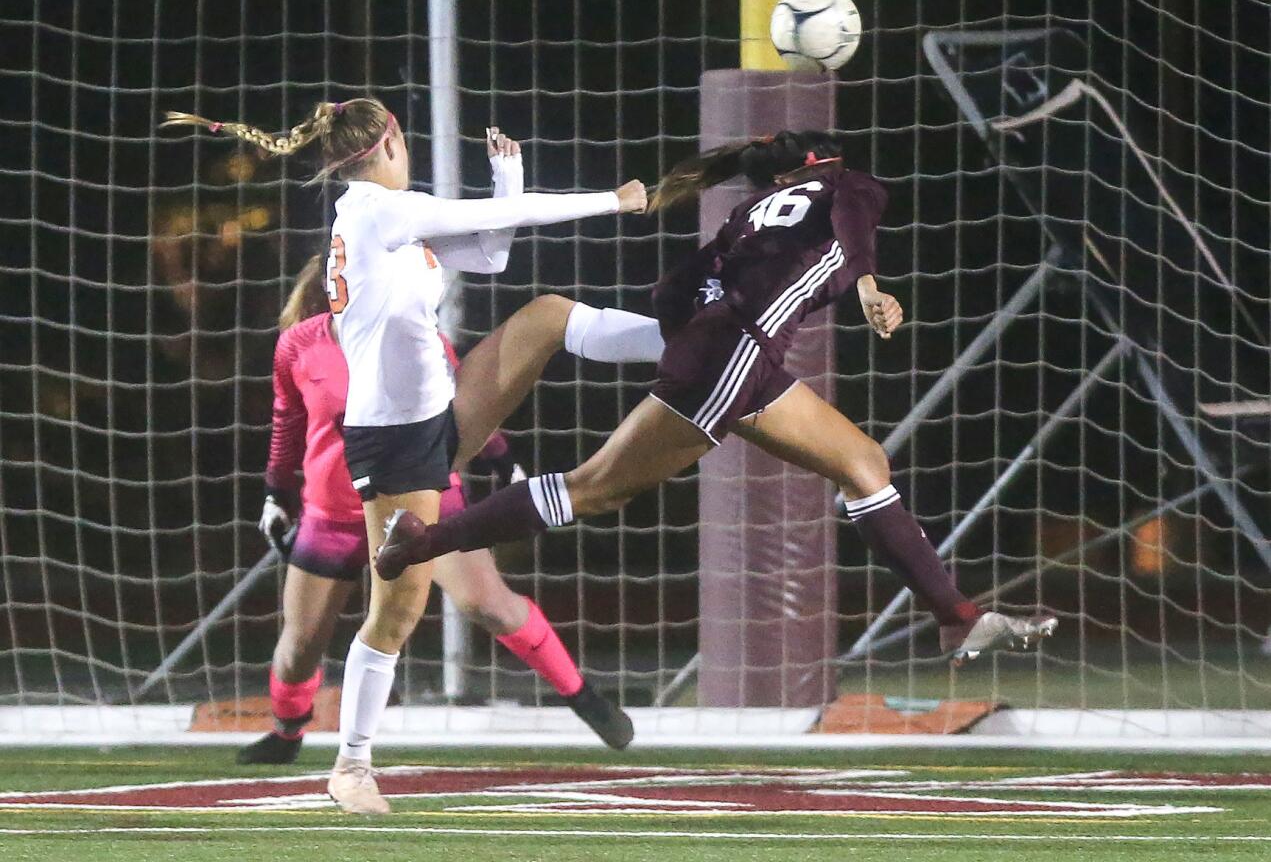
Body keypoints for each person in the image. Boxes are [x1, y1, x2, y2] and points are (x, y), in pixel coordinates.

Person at [375, 130, 1058, 666]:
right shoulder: (848, 183)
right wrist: (869, 287)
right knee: (595, 489)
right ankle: (423, 538)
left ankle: (956, 618)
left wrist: (695, 337)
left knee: (863, 463)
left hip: (734, 353)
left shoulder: (746, 213)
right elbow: (852, 233)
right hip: (738, 355)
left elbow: (671, 292)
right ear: (822, 164)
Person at [162, 100, 656, 814]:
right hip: (396, 438)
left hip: (435, 418)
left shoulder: (383, 222)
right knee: (397, 609)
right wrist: (614, 200)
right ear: (390, 139)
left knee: (547, 315)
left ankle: (684, 348)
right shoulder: (376, 212)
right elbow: (502, 226)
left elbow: (492, 253)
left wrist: (505, 178)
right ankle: (351, 766)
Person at [236, 255, 632, 766]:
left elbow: (462, 407)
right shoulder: (300, 344)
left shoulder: (415, 336)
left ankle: (585, 698)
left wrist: (503, 462)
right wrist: (275, 492)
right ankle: (287, 734)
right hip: (333, 512)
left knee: (488, 602)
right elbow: (287, 418)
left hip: (421, 499)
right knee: (300, 645)